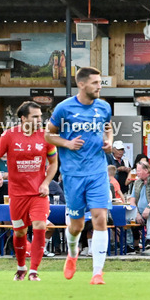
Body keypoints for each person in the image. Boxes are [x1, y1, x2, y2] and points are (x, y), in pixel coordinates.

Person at [45, 68, 113, 284]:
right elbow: (48, 134)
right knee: (76, 226)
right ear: (82, 84)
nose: (99, 86)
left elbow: (108, 127)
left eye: (100, 82)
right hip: (73, 175)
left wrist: (109, 140)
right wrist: (67, 144)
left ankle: (97, 273)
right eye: (95, 83)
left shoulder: (104, 106)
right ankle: (72, 255)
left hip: (98, 171)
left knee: (100, 217)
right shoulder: (64, 108)